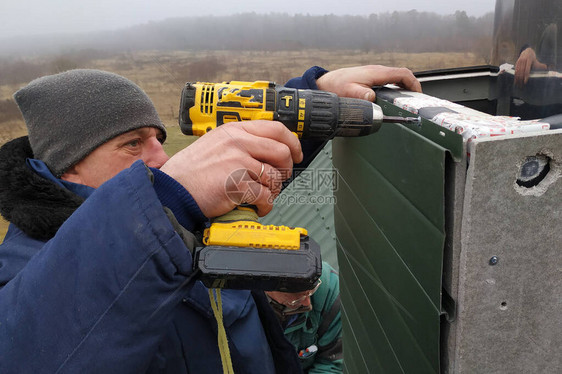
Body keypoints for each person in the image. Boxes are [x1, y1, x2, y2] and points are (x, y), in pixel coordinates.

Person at [0, 65, 421, 374]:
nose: (161, 158)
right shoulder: (24, 272)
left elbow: (242, 180)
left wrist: (312, 101)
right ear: (66, 167)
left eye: (157, 139)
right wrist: (167, 199)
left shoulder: (165, 211)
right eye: (132, 144)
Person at [266, 262, 342, 373]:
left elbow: (333, 364)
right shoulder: (239, 302)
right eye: (295, 300)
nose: (307, 304)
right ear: (267, 289)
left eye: (311, 291)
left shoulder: (329, 288)